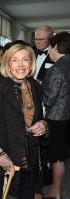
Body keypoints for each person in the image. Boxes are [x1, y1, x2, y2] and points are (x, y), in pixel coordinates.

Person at [0, 44, 49, 199]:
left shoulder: (35, 87)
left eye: (25, 60)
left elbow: (41, 117)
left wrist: (44, 125)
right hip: (4, 162)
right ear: (8, 63)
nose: (21, 65)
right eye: (15, 60)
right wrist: (0, 154)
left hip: (30, 161)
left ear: (31, 63)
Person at [42, 31, 70, 199]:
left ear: (56, 46)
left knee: (57, 156)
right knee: (63, 153)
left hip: (56, 118)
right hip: (67, 116)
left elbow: (49, 99)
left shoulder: (56, 69)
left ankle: (55, 191)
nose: (48, 52)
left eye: (50, 48)